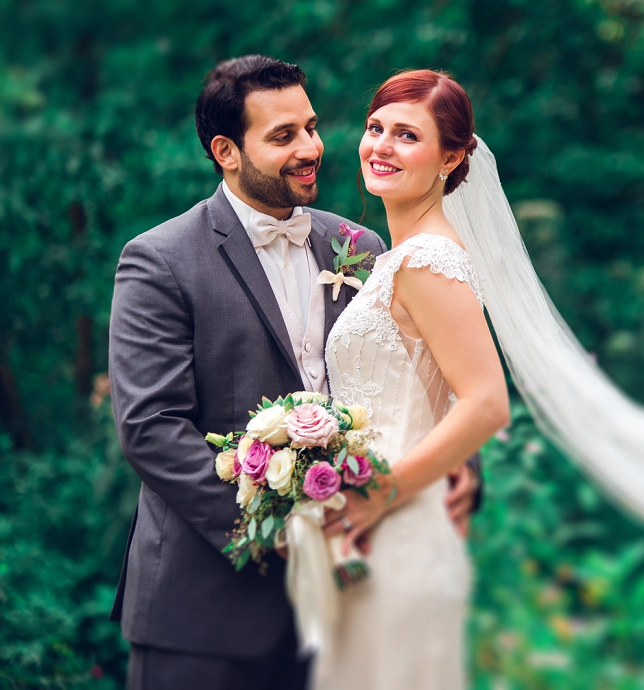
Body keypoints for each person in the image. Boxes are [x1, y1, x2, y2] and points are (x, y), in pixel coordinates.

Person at [107, 56, 481, 690]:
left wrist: (456, 467)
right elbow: (150, 427)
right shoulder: (160, 261)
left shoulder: (361, 248)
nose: (311, 148)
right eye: (283, 137)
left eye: (310, 127)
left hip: (346, 609)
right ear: (226, 151)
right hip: (205, 612)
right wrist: (280, 529)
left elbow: (420, 376)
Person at [314, 70, 510, 690]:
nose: (381, 147)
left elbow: (485, 403)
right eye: (376, 129)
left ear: (450, 158)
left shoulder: (428, 262)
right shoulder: (396, 258)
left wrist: (382, 494)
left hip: (396, 531)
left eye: (406, 135)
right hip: (371, 537)